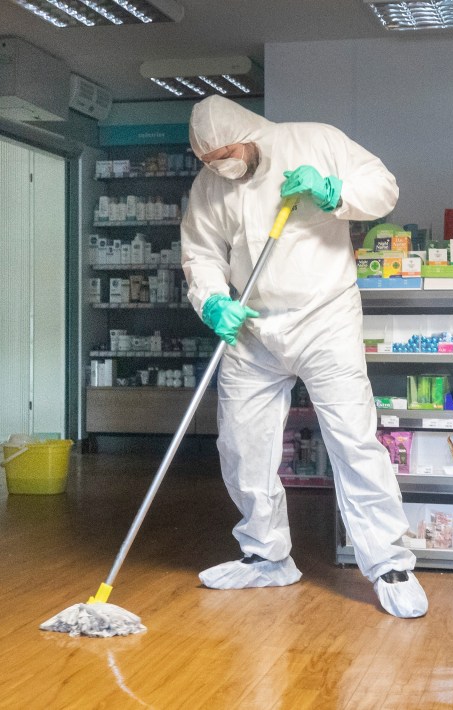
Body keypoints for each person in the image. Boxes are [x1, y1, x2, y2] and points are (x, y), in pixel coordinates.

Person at [180, 95, 427, 619]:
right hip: (251, 325)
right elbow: (200, 254)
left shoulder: (315, 140)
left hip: (325, 317)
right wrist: (213, 301)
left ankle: (389, 563)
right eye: (209, 159)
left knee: (352, 438)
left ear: (249, 131)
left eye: (226, 152)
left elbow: (383, 188)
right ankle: (265, 555)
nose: (222, 165)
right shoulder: (208, 187)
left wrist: (336, 192)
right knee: (241, 443)